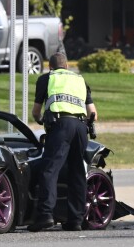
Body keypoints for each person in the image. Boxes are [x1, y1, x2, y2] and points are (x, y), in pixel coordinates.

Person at [28, 53, 98, 232]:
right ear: (67, 66)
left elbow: (36, 111)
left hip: (61, 126)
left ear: (50, 67)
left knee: (49, 170)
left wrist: (41, 120)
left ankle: (45, 215)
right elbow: (93, 113)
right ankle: (75, 220)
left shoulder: (47, 79)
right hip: (81, 127)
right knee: (77, 172)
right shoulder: (79, 80)